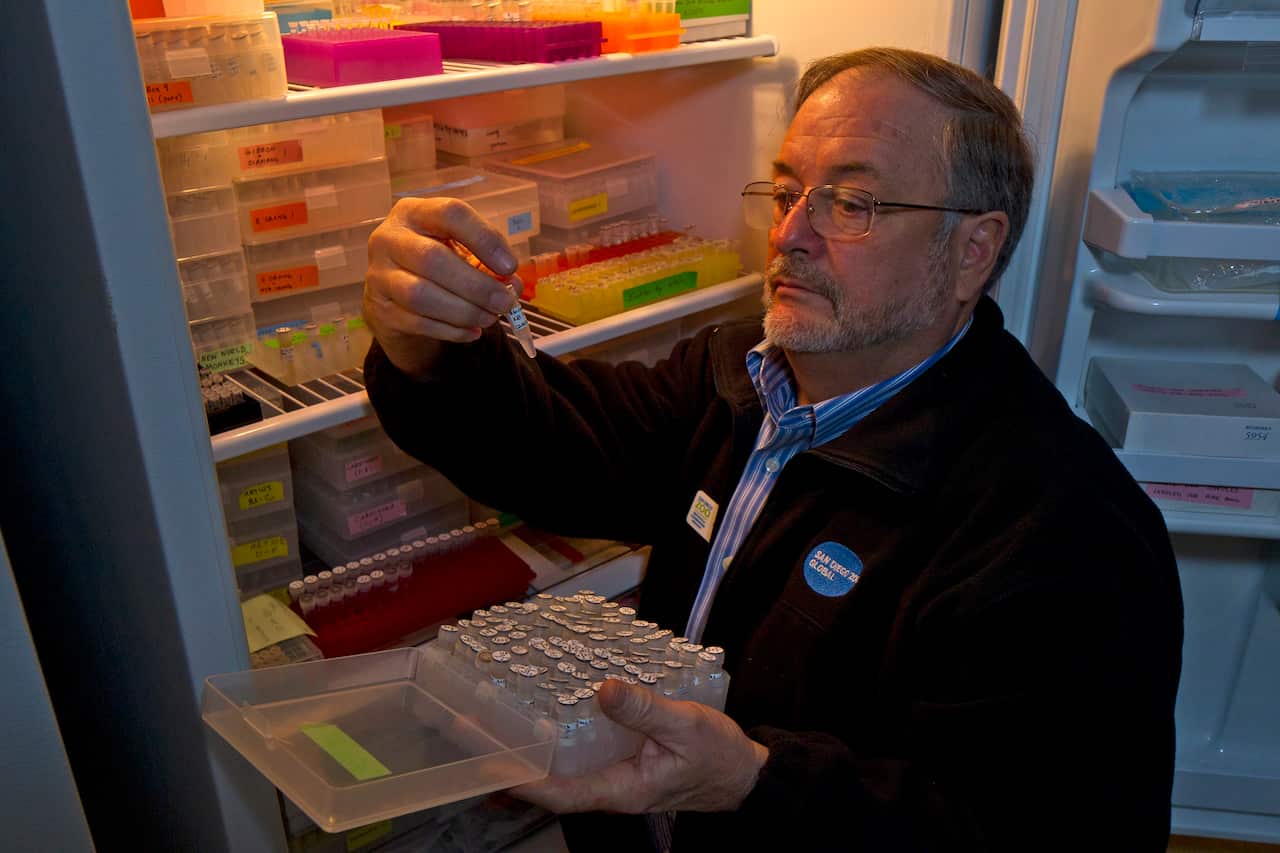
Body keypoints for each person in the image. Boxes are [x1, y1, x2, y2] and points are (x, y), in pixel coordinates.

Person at [361, 47, 1183, 851]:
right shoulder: (737, 378)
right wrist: (425, 344)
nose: (790, 234)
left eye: (853, 203)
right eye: (789, 191)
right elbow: (549, 449)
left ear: (973, 250)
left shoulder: (1063, 528)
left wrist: (754, 782)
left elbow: (1026, 829)